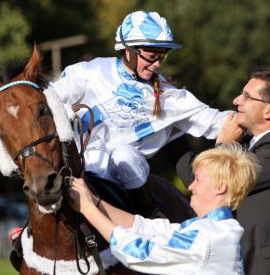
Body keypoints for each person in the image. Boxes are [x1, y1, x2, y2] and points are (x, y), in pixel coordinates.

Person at [47, 11, 233, 217]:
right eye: (152, 57)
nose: (158, 65)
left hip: (125, 173)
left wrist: (252, 113)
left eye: (162, 57)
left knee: (122, 155)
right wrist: (63, 111)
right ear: (129, 51)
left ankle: (150, 214)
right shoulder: (90, 71)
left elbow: (218, 121)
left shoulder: (168, 95)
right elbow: (46, 99)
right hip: (75, 163)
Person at [68, 143, 259, 275]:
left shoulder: (208, 238)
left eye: (198, 180)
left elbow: (138, 252)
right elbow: (147, 228)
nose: (190, 186)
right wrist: (95, 201)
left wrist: (87, 209)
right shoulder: (214, 230)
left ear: (220, 187)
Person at [176, 68, 270, 275]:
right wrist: (171, 122)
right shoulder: (246, 144)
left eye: (247, 96)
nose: (236, 101)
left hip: (260, 271)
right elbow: (193, 176)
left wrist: (223, 144)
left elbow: (211, 184)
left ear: (269, 110)